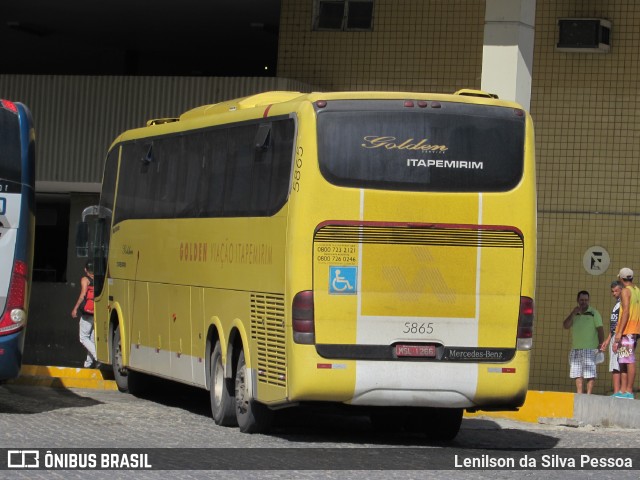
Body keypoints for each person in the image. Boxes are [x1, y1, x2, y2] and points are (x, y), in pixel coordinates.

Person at [563, 290, 604, 394]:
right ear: (577, 300)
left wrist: (600, 344)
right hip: (576, 348)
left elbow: (600, 329)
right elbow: (566, 326)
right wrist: (573, 313)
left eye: (586, 300)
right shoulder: (574, 314)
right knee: (577, 374)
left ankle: (589, 394)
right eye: (581, 300)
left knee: (590, 374)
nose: (583, 302)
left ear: (588, 300)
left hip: (590, 349)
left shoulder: (594, 313)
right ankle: (579, 394)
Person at [612, 267, 640, 399]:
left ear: (621, 279)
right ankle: (622, 390)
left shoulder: (625, 291)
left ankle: (628, 391)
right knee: (623, 360)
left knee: (629, 360)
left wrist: (619, 332)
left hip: (628, 330)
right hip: (634, 329)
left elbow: (626, 312)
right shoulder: (637, 291)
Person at [71, 261, 99, 368]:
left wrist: (75, 308)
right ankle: (88, 364)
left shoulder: (85, 279)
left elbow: (83, 295)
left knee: (83, 338)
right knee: (91, 339)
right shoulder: (99, 280)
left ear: (86, 270)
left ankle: (97, 356)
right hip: (96, 312)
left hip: (87, 312)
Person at [599, 280, 622, 395]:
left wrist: (617, 340)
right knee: (614, 365)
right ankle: (618, 391)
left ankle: (618, 392)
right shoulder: (617, 303)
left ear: (622, 290)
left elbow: (621, 322)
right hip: (614, 336)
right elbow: (614, 324)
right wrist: (607, 340)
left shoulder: (623, 303)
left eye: (616, 291)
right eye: (612, 291)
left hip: (619, 336)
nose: (614, 293)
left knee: (617, 365)